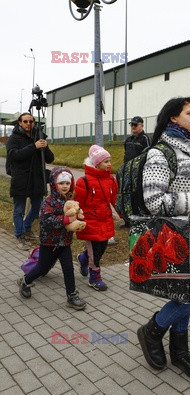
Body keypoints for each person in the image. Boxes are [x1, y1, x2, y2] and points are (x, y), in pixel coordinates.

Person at [137, 97, 190, 380]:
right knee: (189, 300)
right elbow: (154, 200)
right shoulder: (160, 153)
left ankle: (180, 351)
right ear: (173, 118)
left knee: (185, 294)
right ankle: (151, 332)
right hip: (172, 240)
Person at [17, 167, 87, 310]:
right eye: (62, 183)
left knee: (68, 269)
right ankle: (25, 280)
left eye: (68, 183)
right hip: (49, 242)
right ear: (54, 184)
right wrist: (66, 220)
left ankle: (72, 296)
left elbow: (75, 214)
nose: (65, 186)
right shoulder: (48, 202)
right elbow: (47, 220)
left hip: (65, 242)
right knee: (42, 268)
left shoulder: (69, 200)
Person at [6, 112, 54, 250]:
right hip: (20, 178)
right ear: (20, 123)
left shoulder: (38, 137)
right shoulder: (14, 138)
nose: (28, 124)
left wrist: (44, 147)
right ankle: (20, 236)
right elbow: (15, 155)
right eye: (25, 121)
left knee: (37, 206)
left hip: (36, 179)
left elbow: (50, 159)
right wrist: (34, 147)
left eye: (31, 121)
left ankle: (27, 228)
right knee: (19, 209)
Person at [75, 145, 118, 291]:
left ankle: (83, 258)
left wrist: (124, 215)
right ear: (96, 163)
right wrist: (77, 218)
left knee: (102, 247)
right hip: (90, 221)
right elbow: (77, 203)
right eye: (105, 161)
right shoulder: (83, 181)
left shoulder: (112, 180)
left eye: (109, 161)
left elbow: (114, 200)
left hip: (105, 220)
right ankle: (94, 277)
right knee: (95, 251)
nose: (109, 164)